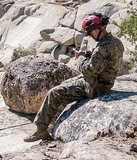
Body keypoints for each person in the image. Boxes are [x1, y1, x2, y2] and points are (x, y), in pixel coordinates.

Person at [23, 12, 124, 142]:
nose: (90, 36)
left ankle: (40, 129)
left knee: (54, 93)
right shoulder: (115, 42)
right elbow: (103, 59)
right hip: (103, 82)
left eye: (90, 32)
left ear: (96, 29)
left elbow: (90, 70)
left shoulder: (104, 46)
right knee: (65, 84)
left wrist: (80, 58)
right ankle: (52, 123)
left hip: (95, 86)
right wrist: (89, 54)